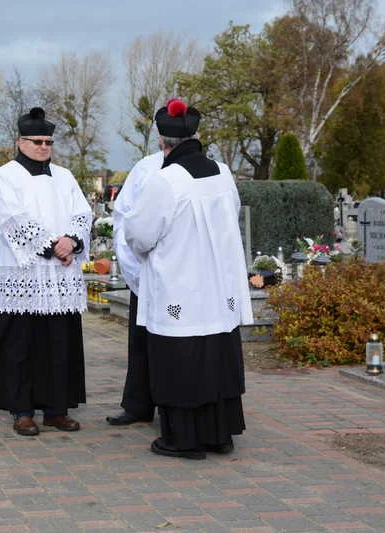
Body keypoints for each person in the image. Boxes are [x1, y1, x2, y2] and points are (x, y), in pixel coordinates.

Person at [123, 99, 253, 459]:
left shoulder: (166, 180)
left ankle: (183, 440)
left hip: (179, 284)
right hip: (218, 287)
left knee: (180, 361)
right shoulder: (224, 174)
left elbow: (139, 235)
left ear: (164, 144)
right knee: (216, 357)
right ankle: (219, 435)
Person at [0, 107, 92, 436]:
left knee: (60, 344)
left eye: (48, 141)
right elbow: (12, 219)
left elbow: (82, 213)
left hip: (61, 276)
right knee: (22, 343)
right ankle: (22, 409)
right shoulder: (4, 176)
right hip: (27, 273)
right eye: (36, 141)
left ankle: (56, 409)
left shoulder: (65, 177)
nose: (43, 147)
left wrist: (73, 241)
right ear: (20, 141)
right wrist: (53, 246)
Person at [106, 149, 163, 427]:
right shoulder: (146, 168)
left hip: (185, 278)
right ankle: (138, 404)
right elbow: (124, 218)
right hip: (146, 270)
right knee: (140, 342)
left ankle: (174, 404)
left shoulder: (208, 167)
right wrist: (135, 272)